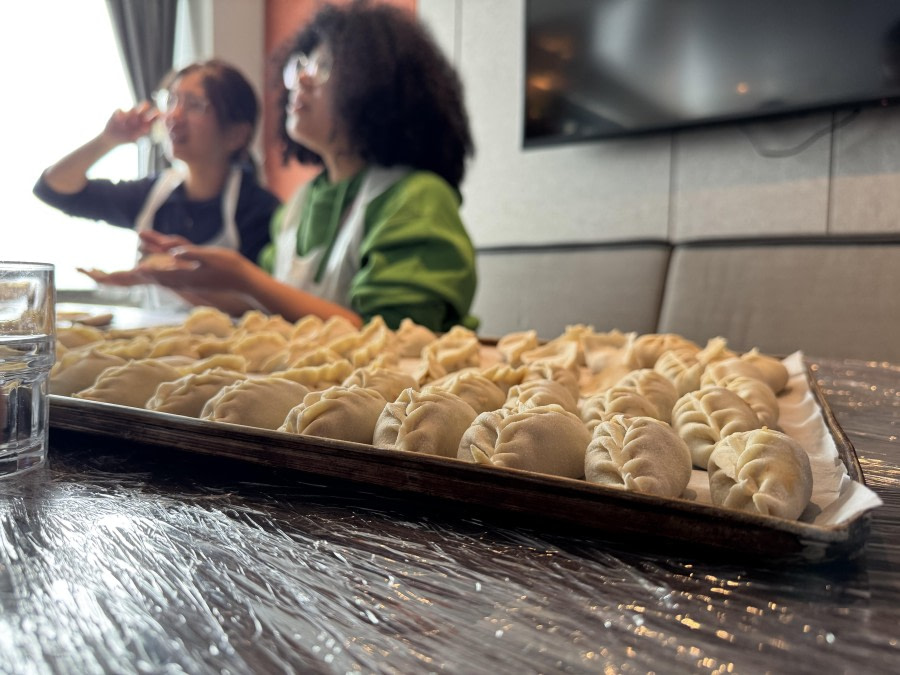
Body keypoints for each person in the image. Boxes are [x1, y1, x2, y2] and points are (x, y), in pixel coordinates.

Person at [137, 0, 478, 332]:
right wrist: (187, 278)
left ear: (378, 86)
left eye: (324, 68)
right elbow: (271, 307)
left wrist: (246, 278)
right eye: (301, 66)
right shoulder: (301, 203)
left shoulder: (416, 198)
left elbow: (392, 338)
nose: (301, 80)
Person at [33, 59, 281, 281]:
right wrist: (108, 140)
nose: (173, 115)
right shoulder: (153, 194)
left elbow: (261, 304)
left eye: (195, 105)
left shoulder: (260, 211)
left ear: (236, 135)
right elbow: (53, 189)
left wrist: (167, 275)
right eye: (171, 100)